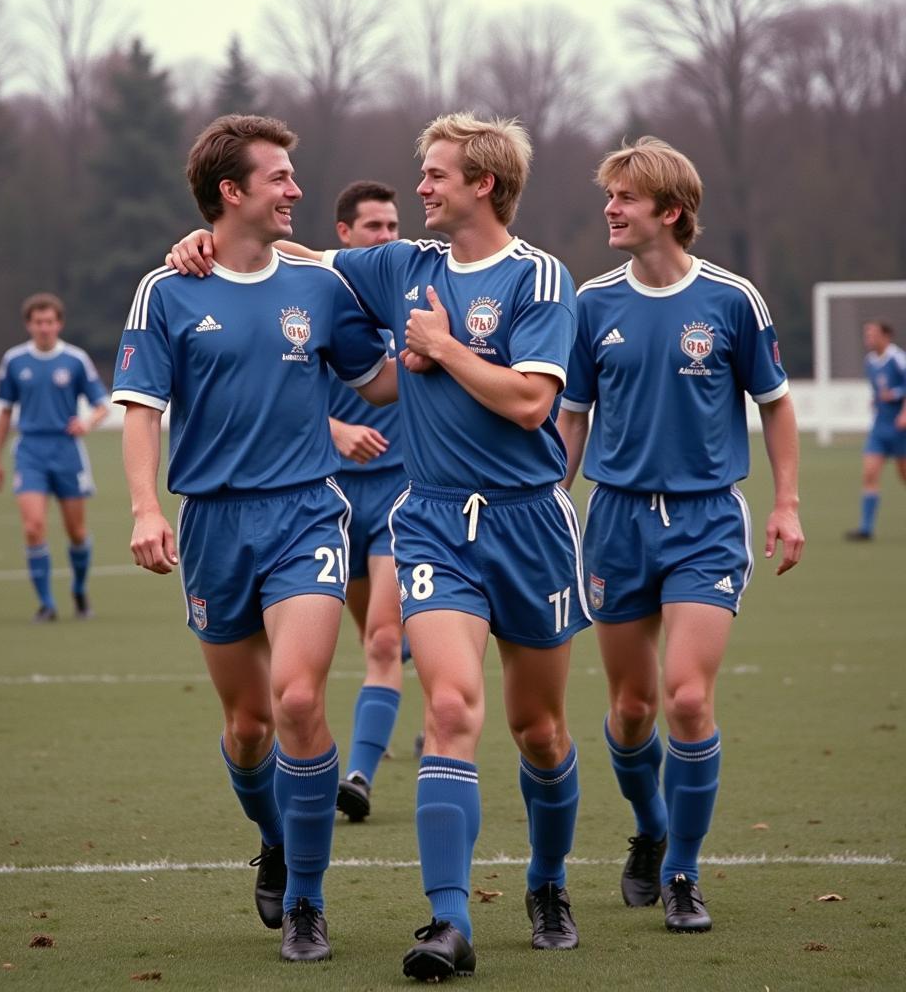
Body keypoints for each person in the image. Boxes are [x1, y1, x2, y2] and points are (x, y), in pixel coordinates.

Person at [168, 112, 590, 981]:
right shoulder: (401, 266)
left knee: (540, 730)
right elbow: (288, 261)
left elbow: (529, 405)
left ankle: (548, 881)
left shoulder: (539, 276)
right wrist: (196, 244)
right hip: (433, 521)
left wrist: (443, 347)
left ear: (484, 184)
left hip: (530, 524)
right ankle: (449, 921)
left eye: (434, 175)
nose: (419, 190)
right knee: (449, 712)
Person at [117, 114, 396, 963]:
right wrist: (144, 507)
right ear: (230, 193)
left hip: (309, 513)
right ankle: (276, 838)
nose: (295, 191)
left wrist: (453, 354)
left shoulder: (320, 287)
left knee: (300, 701)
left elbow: (380, 382)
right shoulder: (166, 290)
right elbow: (141, 410)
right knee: (247, 728)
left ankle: (308, 902)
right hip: (211, 524)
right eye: (278, 177)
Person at [558, 136, 805, 934]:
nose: (610, 208)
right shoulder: (592, 303)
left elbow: (775, 402)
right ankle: (652, 826)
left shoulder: (733, 299)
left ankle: (684, 873)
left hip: (704, 521)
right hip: (617, 521)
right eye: (609, 195)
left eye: (625, 197)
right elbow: (572, 416)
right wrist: (547, 498)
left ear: (670, 211)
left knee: (688, 699)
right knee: (632, 710)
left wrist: (787, 503)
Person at [327, 181, 410, 823]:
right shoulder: (316, 298)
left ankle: (357, 774)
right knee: (374, 637)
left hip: (402, 493)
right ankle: (421, 657)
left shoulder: (413, 297)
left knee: (382, 639)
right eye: (373, 226)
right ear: (343, 235)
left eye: (393, 225)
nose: (387, 236)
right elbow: (277, 393)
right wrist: (336, 430)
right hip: (329, 498)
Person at [0, 294, 109, 621]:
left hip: (67, 451)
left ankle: (80, 591)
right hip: (30, 451)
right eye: (38, 322)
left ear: (60, 323)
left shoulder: (75, 360)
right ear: (29, 324)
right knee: (33, 527)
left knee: (77, 533)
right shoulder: (14, 361)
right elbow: (4, 412)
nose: (44, 328)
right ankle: (46, 604)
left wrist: (87, 422)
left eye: (50, 321)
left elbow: (102, 405)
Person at [844, 320, 906, 540]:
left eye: (872, 334)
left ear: (886, 336)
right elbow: (879, 389)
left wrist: (902, 409)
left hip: (901, 429)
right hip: (880, 427)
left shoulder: (897, 358)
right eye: (866, 334)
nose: (868, 338)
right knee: (869, 473)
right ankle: (866, 529)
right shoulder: (870, 361)